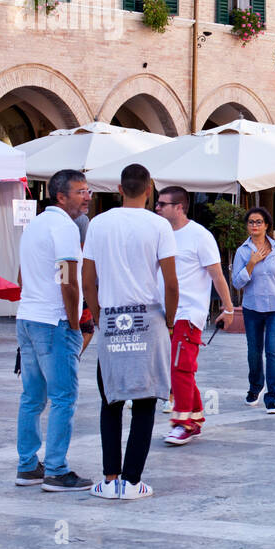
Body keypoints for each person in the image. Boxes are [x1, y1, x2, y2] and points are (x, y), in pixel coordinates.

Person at [81, 164, 178, 500]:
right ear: (149, 189)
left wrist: (97, 316)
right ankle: (133, 481)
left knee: (111, 399)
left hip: (112, 317)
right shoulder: (159, 225)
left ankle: (110, 480)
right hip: (147, 319)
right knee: (145, 401)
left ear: (119, 189)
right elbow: (171, 283)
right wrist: (168, 321)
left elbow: (88, 280)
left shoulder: (98, 223)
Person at [14, 169, 91, 491]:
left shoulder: (36, 225)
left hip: (27, 317)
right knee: (63, 397)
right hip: (53, 321)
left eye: (88, 191)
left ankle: (28, 465)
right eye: (80, 192)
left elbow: (21, 276)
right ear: (61, 196)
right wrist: (74, 324)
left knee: (32, 397)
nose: (87, 197)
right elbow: (69, 280)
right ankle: (57, 470)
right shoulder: (64, 227)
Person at [156, 185, 235, 445]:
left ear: (179, 207)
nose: (157, 207)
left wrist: (228, 307)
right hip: (163, 312)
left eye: (162, 204)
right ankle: (195, 415)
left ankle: (183, 422)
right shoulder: (160, 233)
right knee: (177, 368)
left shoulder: (199, 236)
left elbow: (217, 274)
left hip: (188, 313)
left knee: (180, 366)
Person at [233, 206, 275, 408]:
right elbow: (237, 283)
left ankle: (272, 396)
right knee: (254, 351)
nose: (254, 226)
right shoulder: (242, 251)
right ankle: (255, 387)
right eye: (251, 222)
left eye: (258, 222)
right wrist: (251, 263)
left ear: (266, 225)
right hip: (252, 308)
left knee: (272, 351)